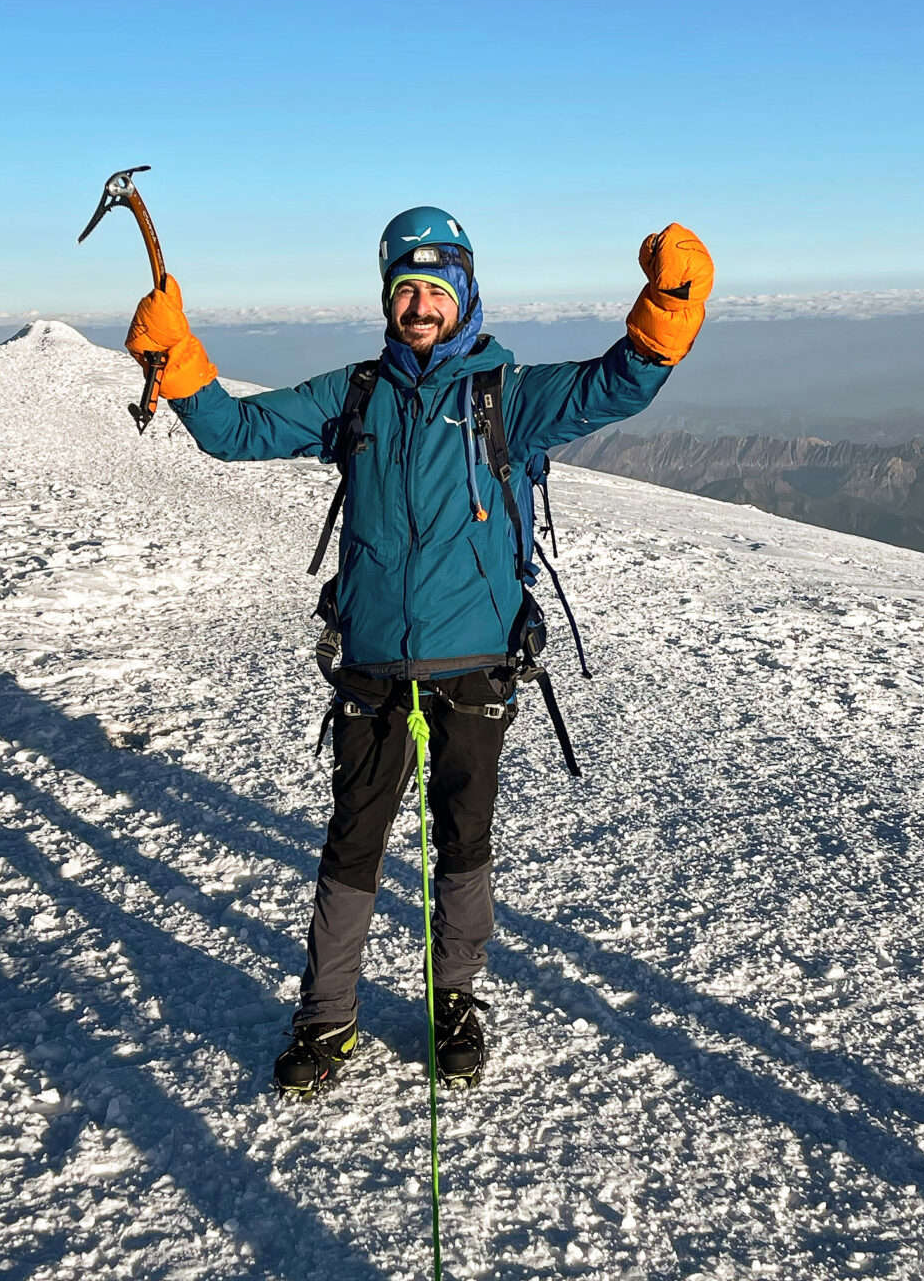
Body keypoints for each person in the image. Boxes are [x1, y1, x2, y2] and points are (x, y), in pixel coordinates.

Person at [125, 206, 713, 1096]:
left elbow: (618, 385)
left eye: (436, 289)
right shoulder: (355, 396)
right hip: (372, 665)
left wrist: (667, 307)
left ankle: (454, 1003)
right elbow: (234, 432)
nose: (420, 306)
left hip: (476, 665)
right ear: (387, 300)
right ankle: (326, 1016)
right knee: (353, 842)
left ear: (465, 294)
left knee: (463, 841)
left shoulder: (506, 395)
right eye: (406, 290)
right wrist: (177, 358)